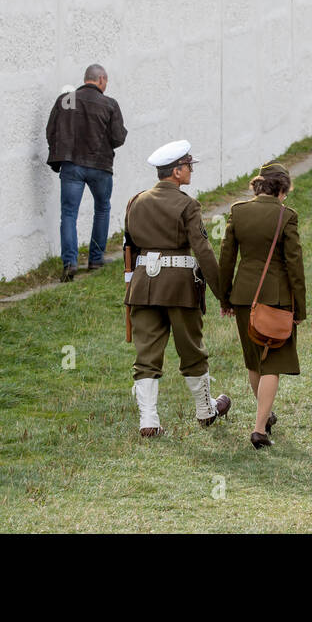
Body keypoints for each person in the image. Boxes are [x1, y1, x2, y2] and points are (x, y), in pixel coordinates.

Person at [122, 139, 230, 437]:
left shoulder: (136, 201)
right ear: (176, 172)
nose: (191, 170)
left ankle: (148, 421)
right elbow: (203, 250)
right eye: (188, 166)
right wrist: (222, 292)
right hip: (179, 288)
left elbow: (129, 249)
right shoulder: (187, 204)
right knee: (191, 349)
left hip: (143, 287)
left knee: (146, 355)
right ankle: (205, 410)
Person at [218, 162, 306, 449]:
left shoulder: (238, 212)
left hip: (244, 297)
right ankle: (259, 428)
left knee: (254, 361)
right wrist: (300, 308)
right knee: (272, 363)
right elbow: (294, 264)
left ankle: (264, 416)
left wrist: (225, 296)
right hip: (276, 299)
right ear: (281, 188)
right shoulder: (287, 216)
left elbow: (227, 259)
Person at [45, 64, 127, 282]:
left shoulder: (66, 99)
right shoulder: (109, 104)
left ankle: (70, 263)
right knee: (102, 208)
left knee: (69, 213)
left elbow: (50, 130)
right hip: (100, 166)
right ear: (101, 79)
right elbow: (119, 138)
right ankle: (95, 259)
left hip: (72, 165)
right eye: (106, 82)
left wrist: (59, 155)